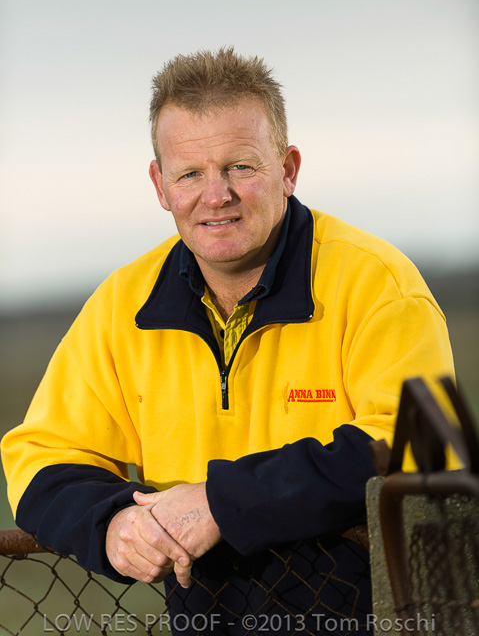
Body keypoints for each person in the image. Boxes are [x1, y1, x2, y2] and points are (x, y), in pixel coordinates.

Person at [1, 47, 455, 634]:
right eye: (190, 173)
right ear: (159, 184)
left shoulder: (375, 284)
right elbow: (42, 455)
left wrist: (222, 502)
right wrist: (113, 523)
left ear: (288, 169)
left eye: (240, 167)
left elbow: (421, 444)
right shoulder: (123, 305)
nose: (216, 196)